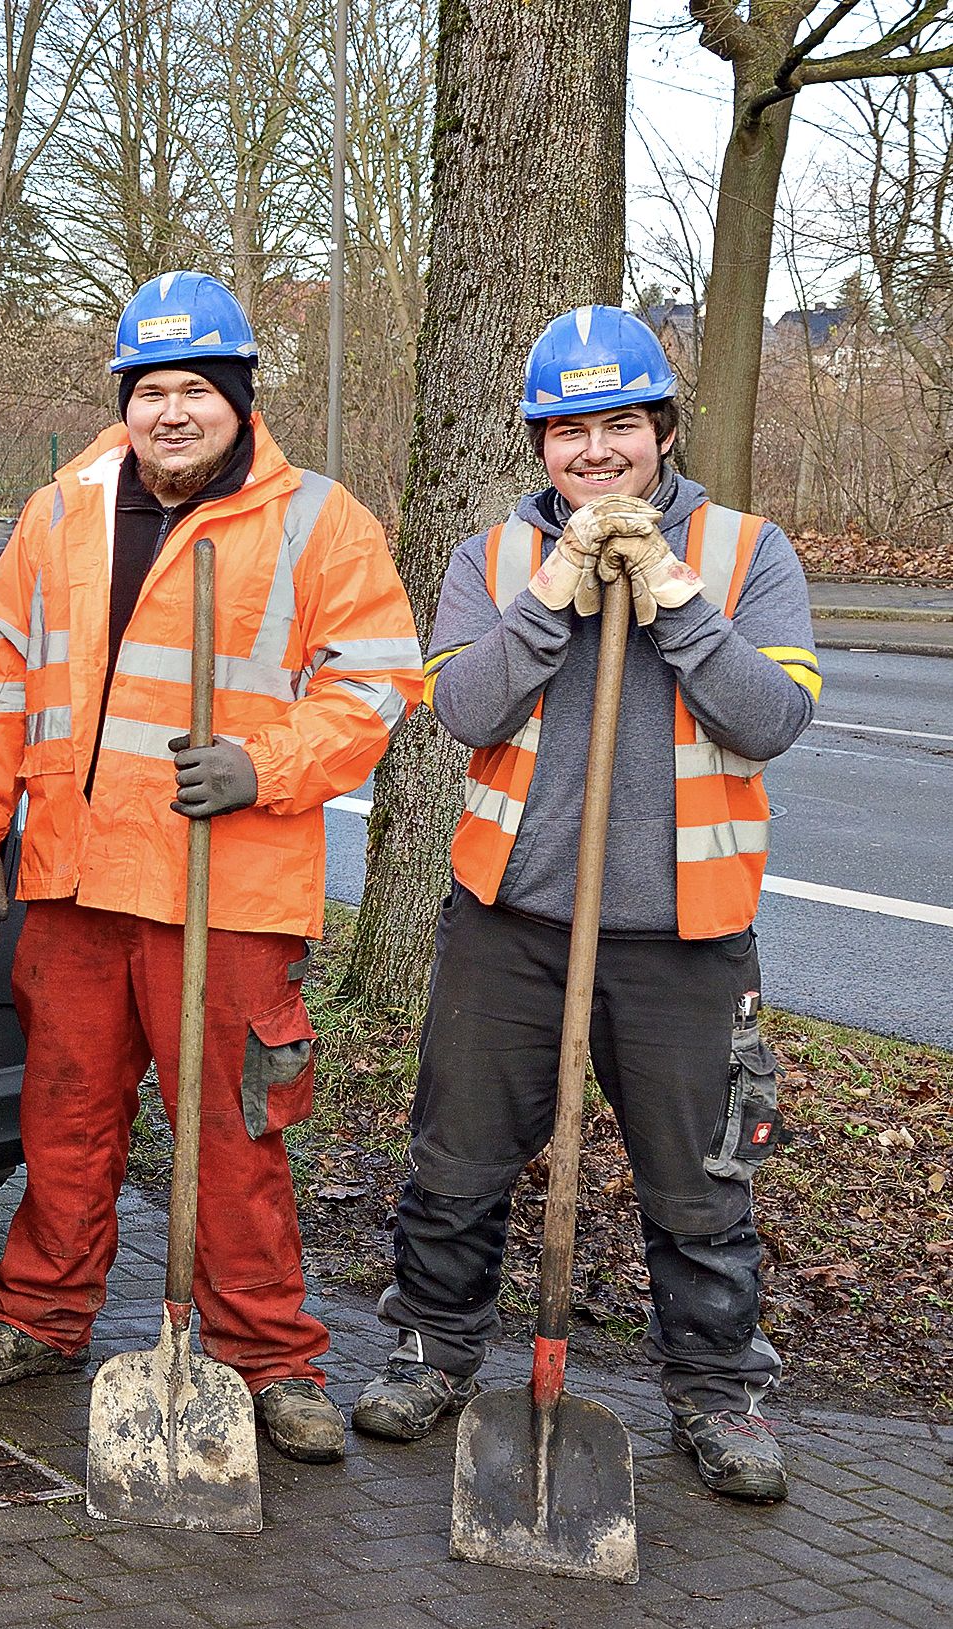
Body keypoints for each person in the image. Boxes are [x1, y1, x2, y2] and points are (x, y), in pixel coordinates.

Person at [0, 271, 422, 1466]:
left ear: (240, 398)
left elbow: (375, 683)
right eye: (150, 389)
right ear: (123, 398)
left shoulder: (316, 517)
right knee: (60, 1119)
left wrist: (263, 763)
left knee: (235, 1138)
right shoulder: (62, 511)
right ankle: (43, 1318)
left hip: (228, 889)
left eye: (196, 391)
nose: (171, 412)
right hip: (69, 878)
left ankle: (270, 1357)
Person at [353, 306, 816, 1503]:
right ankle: (431, 1350)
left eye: (619, 423)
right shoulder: (491, 562)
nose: (594, 451)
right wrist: (555, 595)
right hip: (513, 922)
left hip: (683, 937)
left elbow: (768, 721)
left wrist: (673, 596)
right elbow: (464, 714)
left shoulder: (744, 550)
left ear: (661, 429)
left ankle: (719, 1397)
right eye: (568, 429)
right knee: (454, 1163)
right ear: (538, 444)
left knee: (698, 1183)